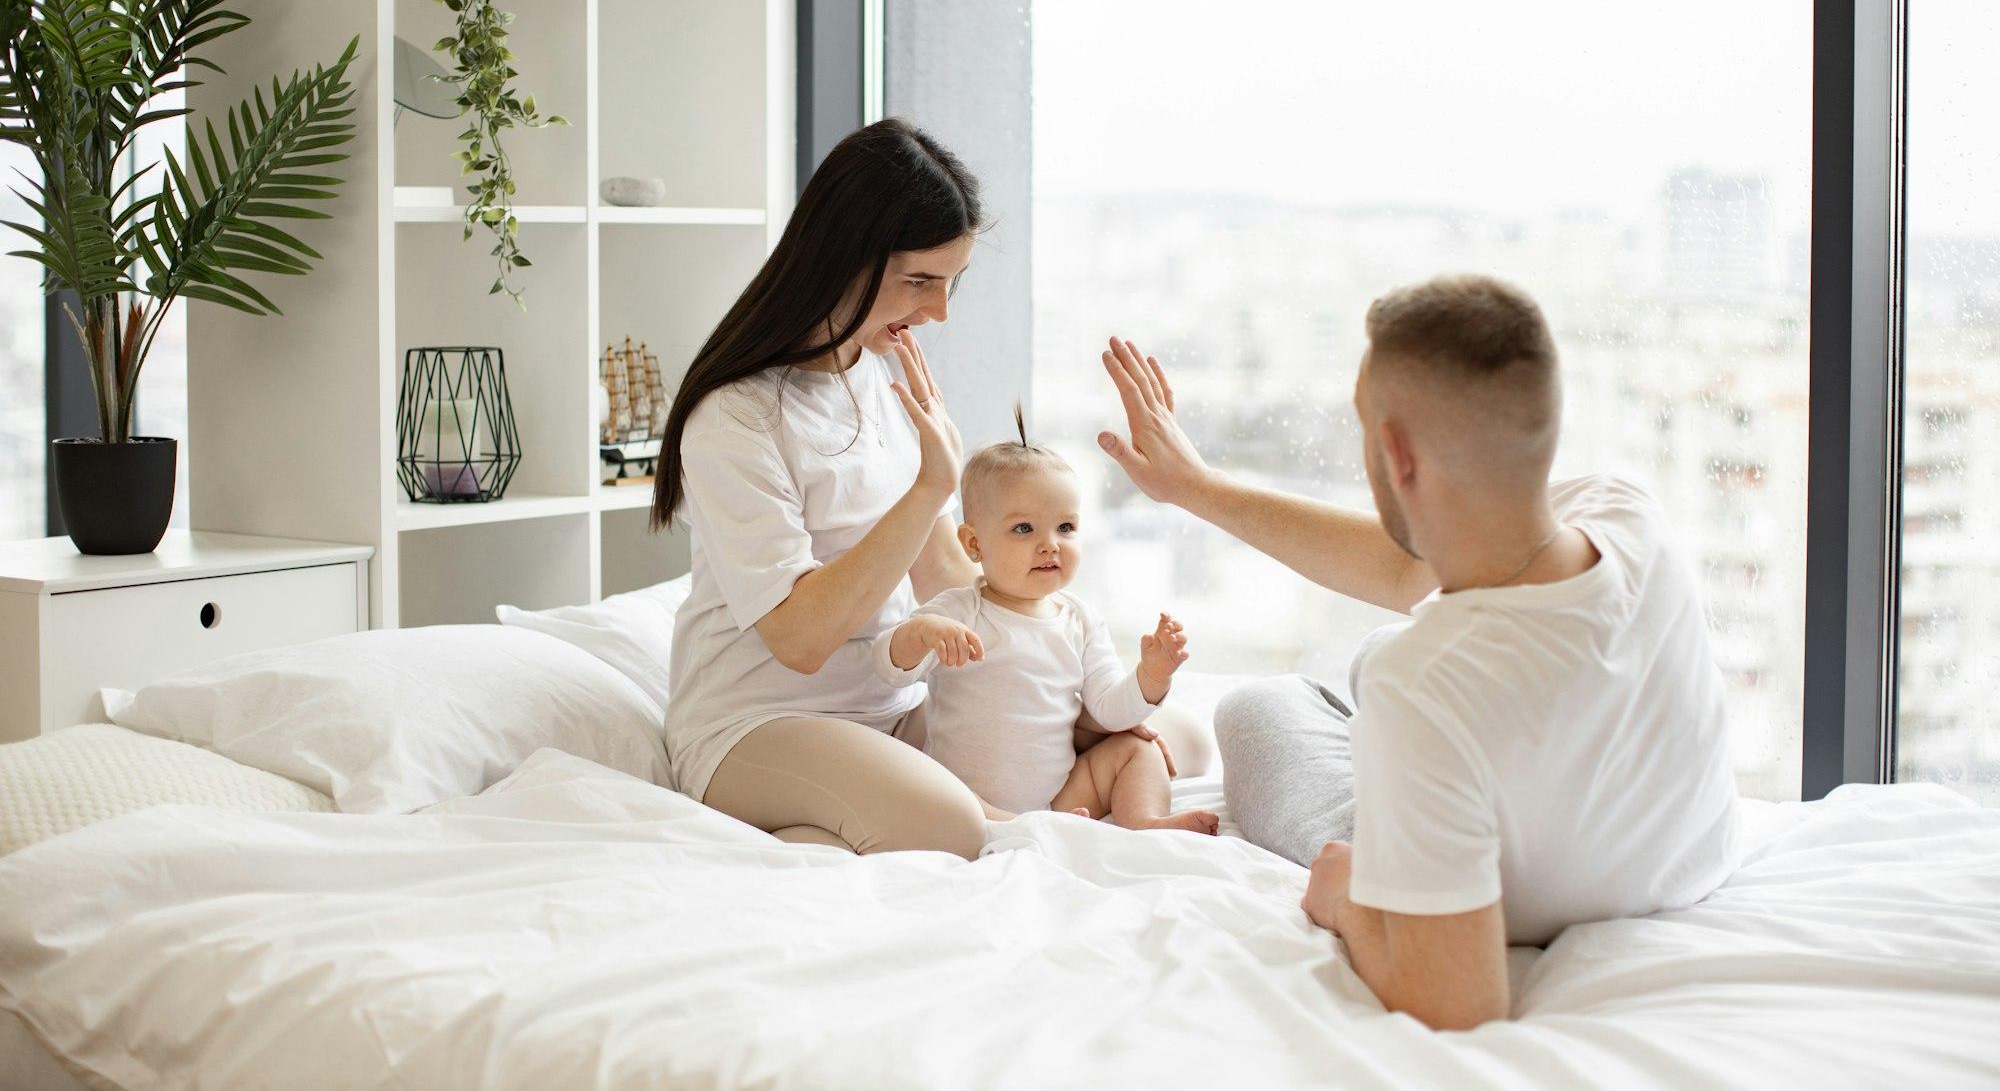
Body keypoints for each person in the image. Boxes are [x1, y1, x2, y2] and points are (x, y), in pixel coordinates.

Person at [1094, 275, 1738, 1030]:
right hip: (1662, 849)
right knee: (1384, 648)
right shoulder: (1625, 509)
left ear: (1395, 452)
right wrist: (1199, 488)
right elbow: (1407, 570)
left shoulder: (1425, 684)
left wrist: (1344, 896)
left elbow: (1456, 1001)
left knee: (1259, 706)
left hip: (1496, 876)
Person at [652, 119, 1200, 860]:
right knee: (949, 824)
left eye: (951, 283)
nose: (939, 311)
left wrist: (1060, 681)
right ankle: (979, 833)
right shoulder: (737, 416)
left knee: (1176, 735)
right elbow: (800, 638)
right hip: (760, 721)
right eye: (919, 281)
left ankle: (843, 827)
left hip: (896, 705)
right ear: (840, 256)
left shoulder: (877, 380)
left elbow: (945, 574)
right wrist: (929, 485)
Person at [871, 418, 1220, 834]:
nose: (1050, 543)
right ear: (974, 544)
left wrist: (1151, 676)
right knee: (928, 791)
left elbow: (1110, 710)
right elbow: (889, 670)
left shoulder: (1082, 621)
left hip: (1060, 798)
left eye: (1065, 527)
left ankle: (1144, 822)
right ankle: (1017, 827)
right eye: (1024, 528)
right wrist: (918, 634)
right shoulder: (960, 612)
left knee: (1137, 748)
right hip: (967, 798)